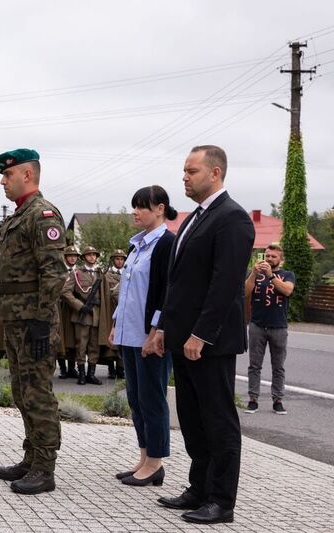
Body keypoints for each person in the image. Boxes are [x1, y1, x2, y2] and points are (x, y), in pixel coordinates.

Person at [150, 145, 255, 525]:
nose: (184, 177)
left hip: (208, 343)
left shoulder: (232, 218)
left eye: (191, 171)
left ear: (215, 173)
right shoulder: (196, 218)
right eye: (184, 170)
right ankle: (198, 488)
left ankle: (221, 501)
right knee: (192, 419)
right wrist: (163, 328)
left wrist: (201, 334)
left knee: (218, 420)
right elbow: (178, 284)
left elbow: (224, 284)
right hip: (182, 338)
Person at [0, 148, 67, 495]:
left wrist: (43, 320)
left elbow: (54, 273)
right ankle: (31, 458)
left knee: (38, 393)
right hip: (16, 319)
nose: (2, 181)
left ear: (27, 175)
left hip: (34, 321)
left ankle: (44, 468)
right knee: (21, 391)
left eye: (8, 175)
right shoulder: (18, 216)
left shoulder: (41, 215)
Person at [107, 185, 177, 488]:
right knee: (136, 399)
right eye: (134, 206)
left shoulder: (166, 244)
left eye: (142, 207)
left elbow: (167, 291)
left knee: (153, 399)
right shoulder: (138, 246)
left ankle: (156, 463)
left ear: (159, 209)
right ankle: (144, 457)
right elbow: (129, 293)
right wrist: (115, 323)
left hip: (151, 336)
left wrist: (155, 331)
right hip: (130, 333)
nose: (135, 212)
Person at [244, 242, 295, 414]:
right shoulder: (256, 275)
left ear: (281, 259)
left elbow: (287, 291)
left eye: (273, 256)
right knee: (254, 365)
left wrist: (271, 276)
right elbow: (244, 293)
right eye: (267, 256)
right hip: (257, 325)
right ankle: (252, 399)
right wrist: (253, 274)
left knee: (278, 366)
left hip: (279, 327)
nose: (270, 259)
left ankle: (278, 400)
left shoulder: (287, 274)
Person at [63, 246, 112, 385]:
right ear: (84, 257)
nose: (92, 257)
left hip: (96, 315)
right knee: (81, 345)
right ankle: (81, 374)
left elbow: (106, 295)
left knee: (94, 346)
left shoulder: (100, 274)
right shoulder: (77, 273)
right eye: (89, 255)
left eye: (94, 255)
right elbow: (65, 292)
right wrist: (80, 306)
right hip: (82, 315)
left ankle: (91, 374)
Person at [57, 245, 81, 379]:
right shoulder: (58, 271)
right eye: (70, 256)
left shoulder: (78, 272)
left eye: (75, 256)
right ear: (65, 257)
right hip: (61, 308)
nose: (72, 258)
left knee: (72, 338)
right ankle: (62, 368)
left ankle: (72, 368)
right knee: (61, 338)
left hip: (73, 308)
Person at [105, 249, 127, 379]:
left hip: (123, 310)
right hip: (110, 309)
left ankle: (121, 369)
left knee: (122, 340)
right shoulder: (107, 275)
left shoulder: (127, 273)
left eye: (122, 259)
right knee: (111, 342)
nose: (119, 261)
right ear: (113, 260)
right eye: (117, 259)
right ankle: (110, 368)